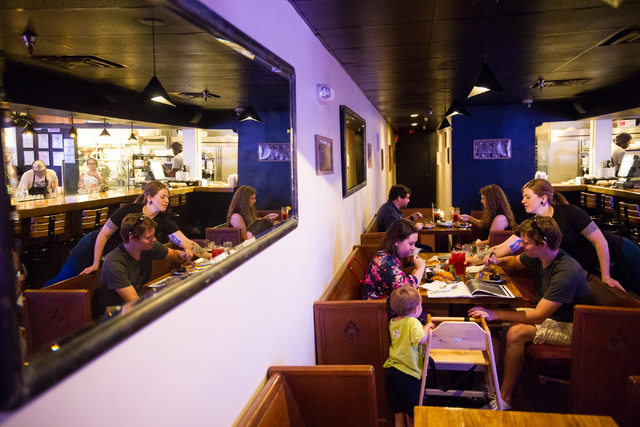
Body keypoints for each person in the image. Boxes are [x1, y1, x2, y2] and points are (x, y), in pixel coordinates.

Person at [469, 216, 590, 410]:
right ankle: (489, 385)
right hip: (549, 316)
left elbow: (538, 316)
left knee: (517, 332)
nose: (521, 246)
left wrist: (494, 314)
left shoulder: (566, 272)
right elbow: (514, 262)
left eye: (525, 243)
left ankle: (504, 400)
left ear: (543, 244)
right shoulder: (540, 255)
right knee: (488, 323)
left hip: (572, 327)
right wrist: (497, 260)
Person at [487, 179, 640, 293]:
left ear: (543, 198)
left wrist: (605, 275)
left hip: (621, 251)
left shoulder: (569, 212)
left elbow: (600, 241)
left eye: (527, 197)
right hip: (596, 264)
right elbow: (505, 248)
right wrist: (481, 258)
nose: (522, 201)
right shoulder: (534, 224)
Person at [45, 181, 207, 286]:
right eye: (163, 197)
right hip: (91, 244)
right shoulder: (129, 211)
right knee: (64, 279)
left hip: (112, 254)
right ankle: (35, 299)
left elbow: (187, 243)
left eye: (168, 197)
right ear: (149, 198)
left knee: (86, 282)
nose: (167, 201)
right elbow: (103, 235)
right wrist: (95, 263)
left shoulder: (163, 220)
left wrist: (210, 256)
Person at [97, 214, 192, 314]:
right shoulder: (114, 263)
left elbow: (175, 256)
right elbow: (134, 302)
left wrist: (183, 255)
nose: (154, 239)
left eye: (153, 235)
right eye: (148, 237)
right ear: (132, 239)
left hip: (139, 302)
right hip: (116, 312)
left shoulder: (149, 246)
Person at [384, 287, 433, 427]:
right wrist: (427, 327)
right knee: (412, 413)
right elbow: (421, 339)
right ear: (417, 309)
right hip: (408, 374)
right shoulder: (413, 322)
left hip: (392, 371)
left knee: (398, 410)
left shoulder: (393, 322)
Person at [362, 219, 426, 318]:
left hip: (385, 309)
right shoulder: (386, 261)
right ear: (396, 241)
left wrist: (416, 272)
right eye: (411, 243)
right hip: (379, 315)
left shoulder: (386, 256)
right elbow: (407, 288)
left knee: (423, 315)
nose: (413, 248)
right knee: (423, 317)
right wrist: (420, 269)